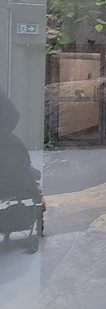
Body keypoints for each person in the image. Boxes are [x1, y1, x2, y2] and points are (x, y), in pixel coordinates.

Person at [0, 86, 43, 252]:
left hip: (12, 177)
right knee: (32, 173)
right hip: (16, 183)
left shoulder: (10, 144)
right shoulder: (11, 143)